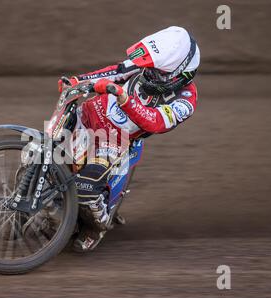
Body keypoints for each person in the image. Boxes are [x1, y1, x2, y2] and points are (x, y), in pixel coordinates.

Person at [58, 26, 201, 251]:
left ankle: (94, 228)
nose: (149, 73)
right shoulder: (146, 66)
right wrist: (78, 80)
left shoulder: (186, 100)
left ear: (180, 75)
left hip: (115, 142)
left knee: (84, 188)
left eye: (158, 71)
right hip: (85, 118)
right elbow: (116, 71)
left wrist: (124, 97)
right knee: (38, 154)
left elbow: (155, 122)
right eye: (150, 67)